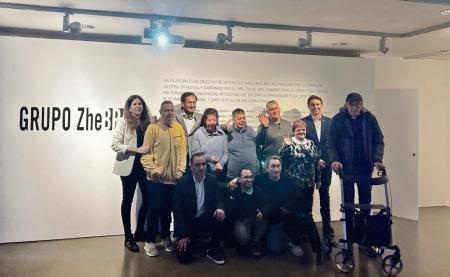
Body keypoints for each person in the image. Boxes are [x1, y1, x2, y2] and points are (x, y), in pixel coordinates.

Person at [328, 92, 385, 257]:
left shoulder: (369, 118)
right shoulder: (338, 119)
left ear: (362, 105)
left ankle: (364, 241)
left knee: (365, 204)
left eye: (358, 104)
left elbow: (378, 140)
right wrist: (334, 160)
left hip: (365, 168)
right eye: (352, 104)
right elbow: (331, 143)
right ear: (346, 104)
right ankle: (349, 239)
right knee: (349, 205)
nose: (355, 107)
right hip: (346, 170)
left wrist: (377, 159)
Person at [140, 100, 187, 257]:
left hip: (173, 180)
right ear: (160, 113)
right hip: (156, 180)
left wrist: (180, 171)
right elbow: (146, 155)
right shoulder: (152, 129)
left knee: (168, 211)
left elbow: (182, 153)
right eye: (166, 110)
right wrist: (154, 171)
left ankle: (166, 238)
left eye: (171, 110)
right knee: (154, 210)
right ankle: (150, 242)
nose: (169, 113)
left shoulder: (179, 128)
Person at [278, 119, 323, 264]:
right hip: (294, 187)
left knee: (307, 213)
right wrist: (286, 144)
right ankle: (297, 242)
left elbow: (316, 162)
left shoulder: (310, 143)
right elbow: (279, 156)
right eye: (298, 130)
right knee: (297, 215)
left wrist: (318, 179)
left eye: (303, 130)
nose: (301, 132)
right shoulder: (290, 143)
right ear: (294, 131)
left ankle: (304, 238)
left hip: (308, 185)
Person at [111, 95, 152, 252]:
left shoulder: (147, 123)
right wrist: (136, 149)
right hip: (128, 167)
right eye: (134, 104)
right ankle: (128, 237)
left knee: (148, 199)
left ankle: (140, 231)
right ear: (129, 107)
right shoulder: (123, 122)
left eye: (140, 103)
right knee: (127, 200)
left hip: (144, 166)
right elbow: (115, 145)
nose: (138, 106)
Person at [173, 152, 226, 265]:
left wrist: (220, 208)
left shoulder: (212, 180)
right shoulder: (182, 183)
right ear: (191, 166)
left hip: (205, 218)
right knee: (184, 258)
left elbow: (218, 198)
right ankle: (191, 241)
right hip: (189, 222)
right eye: (197, 165)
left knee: (221, 215)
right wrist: (182, 235)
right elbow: (177, 211)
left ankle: (214, 247)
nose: (201, 167)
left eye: (203, 164)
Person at [253, 156, 301, 256]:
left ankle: (288, 240)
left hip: (278, 219)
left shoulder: (288, 182)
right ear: (267, 169)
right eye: (273, 166)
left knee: (275, 248)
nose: (276, 169)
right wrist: (236, 180)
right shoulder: (259, 180)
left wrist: (287, 207)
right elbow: (247, 180)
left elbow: (298, 197)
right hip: (264, 218)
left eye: (278, 166)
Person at [302, 95, 334, 237]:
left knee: (324, 196)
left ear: (322, 105)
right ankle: (309, 229)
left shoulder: (330, 122)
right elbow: (300, 144)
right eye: (312, 105)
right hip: (309, 165)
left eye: (317, 104)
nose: (315, 107)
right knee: (307, 197)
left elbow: (333, 143)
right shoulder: (303, 122)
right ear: (308, 106)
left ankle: (327, 227)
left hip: (326, 165)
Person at [226, 167, 269, 259]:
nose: (249, 180)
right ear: (239, 179)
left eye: (251, 177)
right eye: (246, 177)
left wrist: (262, 213)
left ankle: (256, 243)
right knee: (242, 239)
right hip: (241, 220)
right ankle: (244, 241)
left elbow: (267, 205)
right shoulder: (234, 188)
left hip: (255, 218)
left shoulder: (258, 191)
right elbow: (219, 185)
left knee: (265, 220)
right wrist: (230, 183)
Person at [191, 108, 228, 179]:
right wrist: (209, 158)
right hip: (204, 172)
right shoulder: (198, 134)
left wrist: (221, 163)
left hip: (220, 172)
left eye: (214, 120)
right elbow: (195, 155)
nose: (212, 123)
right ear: (205, 120)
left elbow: (226, 153)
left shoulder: (222, 133)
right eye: (210, 120)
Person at [223, 108, 259, 180]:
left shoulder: (251, 130)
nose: (242, 120)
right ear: (233, 120)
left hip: (252, 175)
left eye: (244, 118)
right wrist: (224, 127)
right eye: (239, 119)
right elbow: (218, 128)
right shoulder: (227, 131)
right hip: (234, 175)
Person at [255, 100, 292, 169]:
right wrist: (265, 127)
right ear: (267, 112)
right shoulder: (263, 126)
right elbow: (259, 142)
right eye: (271, 109)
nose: (275, 111)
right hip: (270, 164)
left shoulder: (287, 123)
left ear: (279, 109)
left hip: (287, 162)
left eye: (276, 108)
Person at [175, 92, 202, 166]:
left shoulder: (200, 117)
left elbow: (213, 125)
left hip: (193, 157)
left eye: (194, 102)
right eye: (189, 102)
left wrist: (225, 126)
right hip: (178, 157)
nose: (192, 105)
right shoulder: (174, 115)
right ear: (183, 104)